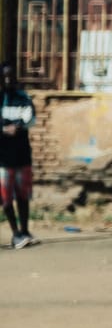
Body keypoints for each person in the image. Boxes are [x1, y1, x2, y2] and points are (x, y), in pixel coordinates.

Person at [1, 61, 38, 249]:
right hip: (3, 159)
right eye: (4, 76)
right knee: (6, 198)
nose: (8, 80)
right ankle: (15, 234)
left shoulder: (23, 98)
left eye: (11, 76)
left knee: (23, 196)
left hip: (23, 155)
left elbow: (31, 119)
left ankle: (25, 230)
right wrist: (4, 129)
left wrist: (17, 126)